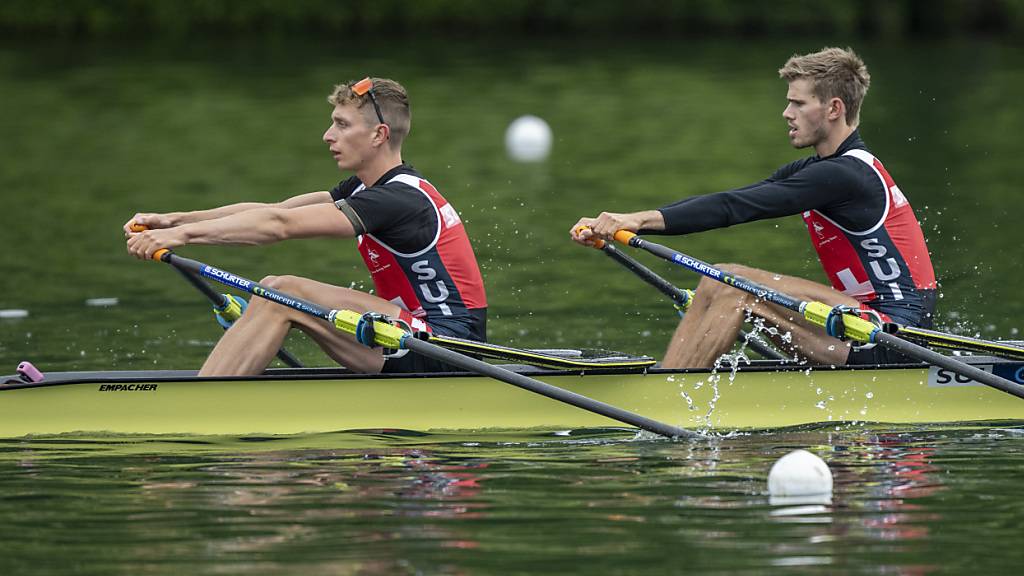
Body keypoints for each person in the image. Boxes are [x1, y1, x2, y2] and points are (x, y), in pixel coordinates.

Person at [570, 47, 936, 368]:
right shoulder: (816, 170)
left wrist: (635, 220)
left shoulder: (845, 175)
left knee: (733, 285)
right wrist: (629, 223)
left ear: (834, 109)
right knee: (716, 282)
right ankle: (673, 377)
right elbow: (733, 198)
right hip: (855, 324)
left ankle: (669, 398)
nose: (786, 113)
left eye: (798, 102)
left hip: (893, 334)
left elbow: (737, 207)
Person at [125, 77, 487, 376]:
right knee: (274, 290)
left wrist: (181, 238)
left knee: (282, 291)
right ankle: (215, 395)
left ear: (379, 135)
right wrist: (175, 220)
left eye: (342, 125)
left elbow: (280, 225)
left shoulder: (398, 199)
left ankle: (201, 407)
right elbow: (274, 210)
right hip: (406, 336)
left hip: (446, 351)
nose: (328, 136)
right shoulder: (364, 188)